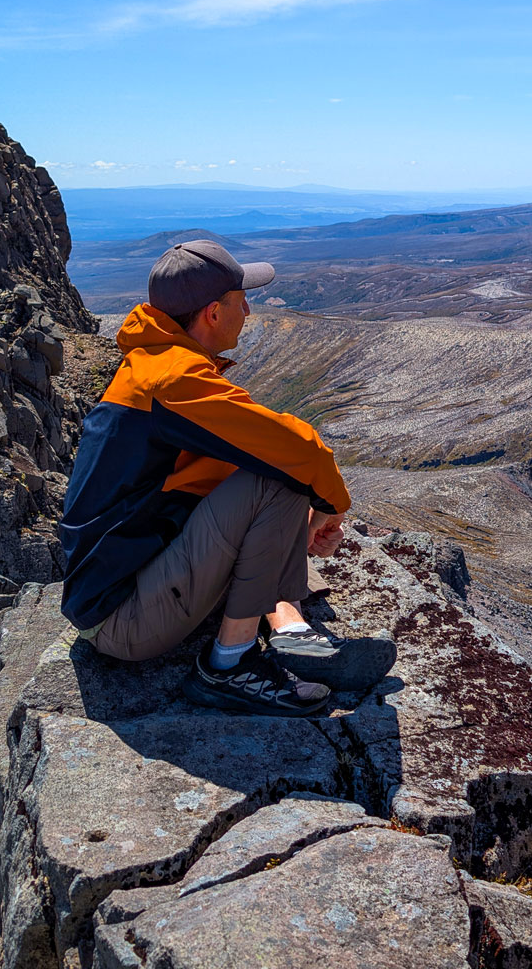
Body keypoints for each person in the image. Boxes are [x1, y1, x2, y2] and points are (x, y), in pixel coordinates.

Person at [56, 239, 395, 715]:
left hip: (120, 592)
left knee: (260, 470)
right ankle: (229, 666)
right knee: (278, 476)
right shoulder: (175, 381)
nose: (249, 309)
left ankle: (287, 627)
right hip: (124, 619)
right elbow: (301, 449)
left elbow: (213, 473)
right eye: (240, 300)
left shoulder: (155, 364)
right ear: (213, 313)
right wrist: (332, 508)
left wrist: (297, 530)